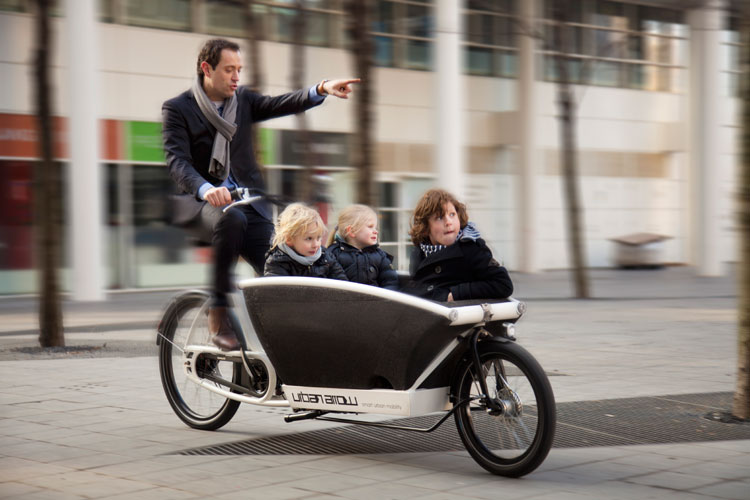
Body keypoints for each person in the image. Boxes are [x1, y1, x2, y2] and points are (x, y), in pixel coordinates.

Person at [162, 38, 358, 350]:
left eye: (239, 69)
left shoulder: (243, 101)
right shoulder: (178, 109)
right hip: (201, 205)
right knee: (232, 221)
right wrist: (206, 188)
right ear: (206, 69)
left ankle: (286, 347)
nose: (236, 76)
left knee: (278, 266)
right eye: (229, 70)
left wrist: (320, 89)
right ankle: (218, 311)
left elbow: (279, 103)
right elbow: (177, 162)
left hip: (249, 203)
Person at [404, 189, 513, 302]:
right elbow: (417, 289)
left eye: (452, 214)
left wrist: (455, 294)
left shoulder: (470, 248)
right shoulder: (419, 253)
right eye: (439, 218)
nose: (448, 222)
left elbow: (503, 284)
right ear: (425, 228)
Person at [264, 203, 348, 279]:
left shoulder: (326, 257)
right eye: (309, 239)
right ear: (289, 239)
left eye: (318, 238)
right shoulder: (278, 262)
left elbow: (342, 284)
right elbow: (276, 291)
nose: (316, 245)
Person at [325, 204, 398, 289]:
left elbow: (390, 281)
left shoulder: (380, 256)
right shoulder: (333, 253)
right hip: (344, 301)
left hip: (373, 301)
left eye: (376, 228)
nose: (376, 232)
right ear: (351, 231)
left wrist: (385, 300)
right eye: (370, 227)